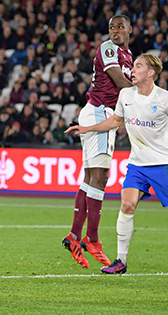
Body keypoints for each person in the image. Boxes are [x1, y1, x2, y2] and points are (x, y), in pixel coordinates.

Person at [66, 54, 168, 277]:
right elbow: (115, 121)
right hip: (137, 165)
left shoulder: (165, 98)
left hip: (163, 164)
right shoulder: (126, 95)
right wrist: (88, 128)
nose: (132, 70)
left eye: (138, 66)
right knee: (127, 205)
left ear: (151, 72)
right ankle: (120, 261)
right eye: (133, 66)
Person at [62, 15, 134, 268]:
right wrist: (146, 92)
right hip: (100, 111)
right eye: (112, 27)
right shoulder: (108, 48)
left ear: (129, 30)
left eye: (120, 27)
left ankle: (74, 236)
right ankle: (91, 239)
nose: (115, 31)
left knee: (91, 177)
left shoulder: (129, 55)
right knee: (99, 177)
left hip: (104, 113)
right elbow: (120, 82)